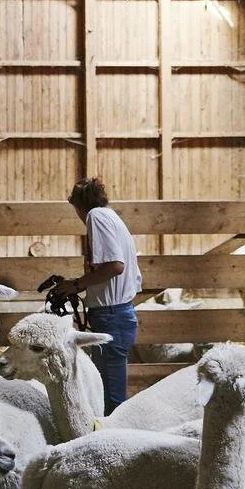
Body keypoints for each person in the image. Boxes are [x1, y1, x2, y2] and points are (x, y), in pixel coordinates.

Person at [58, 177, 142, 414]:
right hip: (117, 313)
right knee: (106, 392)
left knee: (111, 401)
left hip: (111, 316)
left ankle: (117, 444)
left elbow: (115, 266)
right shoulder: (111, 217)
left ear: (78, 205)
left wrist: (76, 285)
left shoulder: (96, 217)